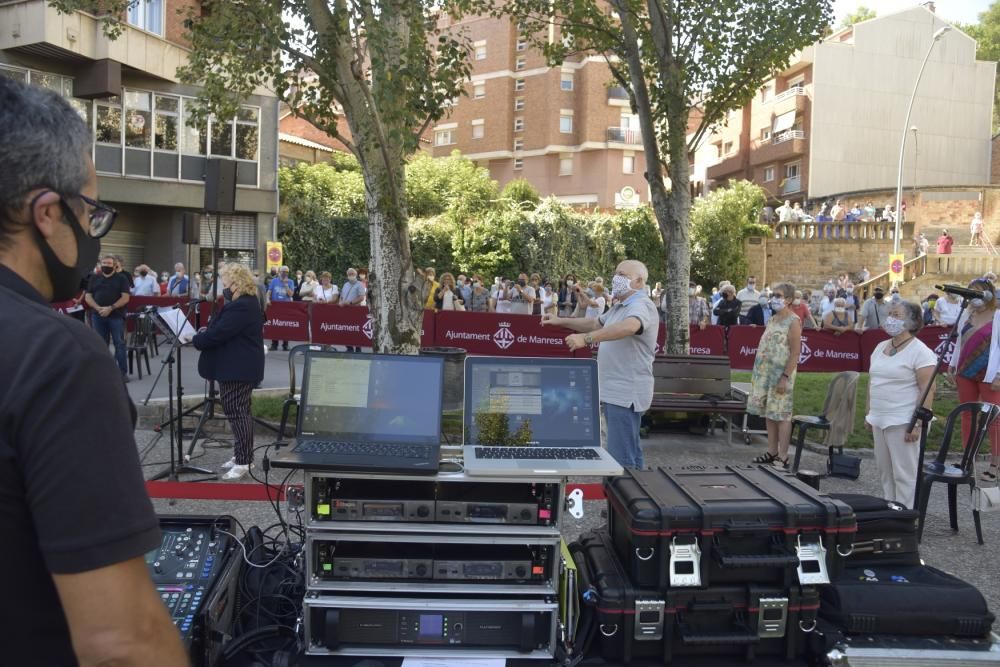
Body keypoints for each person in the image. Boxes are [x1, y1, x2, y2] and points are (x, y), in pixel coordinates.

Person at [0, 76, 187, 666]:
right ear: (48, 214)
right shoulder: (57, 358)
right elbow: (122, 644)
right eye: (91, 211)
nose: (93, 230)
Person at [541, 260, 658, 468]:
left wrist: (587, 339)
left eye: (623, 275)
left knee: (620, 461)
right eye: (616, 273)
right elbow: (595, 323)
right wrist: (560, 321)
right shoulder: (621, 306)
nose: (616, 278)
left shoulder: (641, 305)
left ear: (639, 282)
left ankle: (620, 496)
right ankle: (633, 494)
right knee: (629, 453)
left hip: (625, 392)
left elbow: (630, 326)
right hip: (616, 391)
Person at [183, 263, 266, 480]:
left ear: (237, 284)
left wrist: (196, 338)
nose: (224, 288)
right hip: (237, 366)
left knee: (238, 413)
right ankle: (242, 455)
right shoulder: (243, 303)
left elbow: (220, 333)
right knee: (238, 412)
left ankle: (244, 461)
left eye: (226, 283)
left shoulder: (242, 306)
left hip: (238, 368)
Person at [866, 300, 937, 508]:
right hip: (880, 418)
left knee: (905, 474)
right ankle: (890, 511)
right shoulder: (880, 347)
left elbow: (927, 389)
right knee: (885, 472)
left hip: (903, 420)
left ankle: (905, 517)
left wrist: (916, 423)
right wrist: (869, 413)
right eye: (889, 314)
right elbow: (873, 380)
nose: (890, 319)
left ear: (911, 321)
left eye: (896, 315)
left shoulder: (920, 352)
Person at [949, 278, 1000, 482]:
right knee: (967, 415)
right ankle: (967, 460)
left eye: (979, 292)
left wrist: (999, 374)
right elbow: (959, 343)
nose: (974, 296)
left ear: (988, 294)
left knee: (994, 419)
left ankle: (995, 464)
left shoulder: (997, 315)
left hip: (989, 373)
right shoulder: (966, 314)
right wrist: (952, 365)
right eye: (971, 292)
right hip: (965, 371)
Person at [747, 283, 802, 469]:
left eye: (778, 295)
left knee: (782, 414)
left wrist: (785, 377)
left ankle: (783, 455)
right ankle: (771, 451)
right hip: (765, 374)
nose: (774, 298)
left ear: (788, 299)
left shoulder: (793, 321)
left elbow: (795, 353)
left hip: (781, 375)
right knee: (769, 414)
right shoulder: (773, 319)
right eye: (773, 295)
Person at [86, 253, 132, 379]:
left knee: (119, 344)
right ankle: (104, 371)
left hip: (116, 316)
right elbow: (88, 296)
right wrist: (98, 308)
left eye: (109, 264)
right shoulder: (94, 278)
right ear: (100, 265)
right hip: (98, 315)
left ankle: (122, 373)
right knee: (101, 344)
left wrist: (110, 308)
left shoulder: (122, 278)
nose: (106, 266)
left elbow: (125, 298)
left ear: (114, 265)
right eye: (104, 264)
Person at [267, 265, 295, 351]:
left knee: (285, 325)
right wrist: (267, 299)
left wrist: (286, 285)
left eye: (287, 272)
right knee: (275, 324)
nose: (285, 273)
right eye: (283, 272)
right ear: (280, 272)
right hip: (275, 306)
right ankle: (274, 344)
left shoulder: (290, 282)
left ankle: (285, 345)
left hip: (286, 306)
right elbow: (269, 291)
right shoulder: (274, 281)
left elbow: (291, 294)